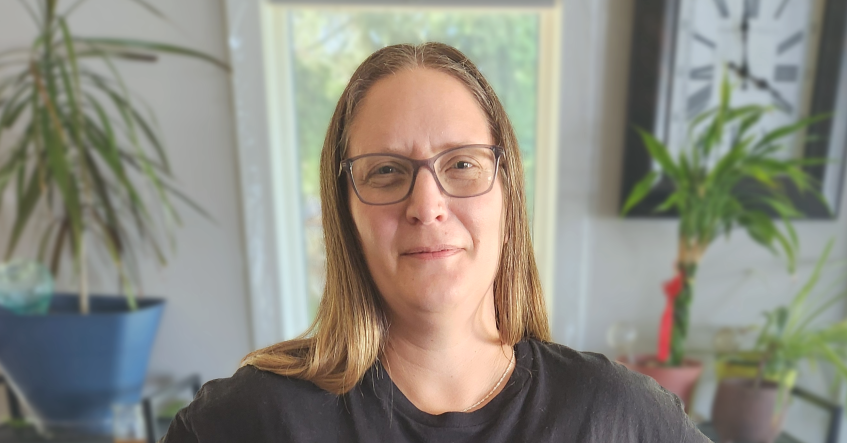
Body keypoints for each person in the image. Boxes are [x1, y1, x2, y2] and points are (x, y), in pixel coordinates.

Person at [162, 42, 710, 443]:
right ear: (344, 212)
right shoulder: (253, 419)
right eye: (385, 173)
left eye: (463, 164)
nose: (426, 205)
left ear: (508, 196)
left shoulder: (615, 415)